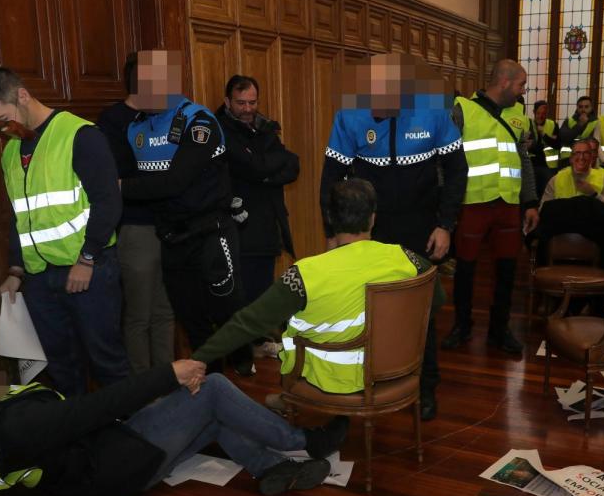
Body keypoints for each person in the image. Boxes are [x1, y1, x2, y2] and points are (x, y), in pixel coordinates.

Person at [0, 358, 349, 496]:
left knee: (212, 410)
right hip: (118, 464)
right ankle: (307, 442)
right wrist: (169, 375)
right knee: (215, 389)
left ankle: (269, 466)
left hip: (103, 462)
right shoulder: (17, 428)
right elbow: (96, 408)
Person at [320, 53, 468, 420]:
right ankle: (371, 379)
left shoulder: (433, 111)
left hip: (421, 227)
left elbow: (456, 171)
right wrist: (334, 233)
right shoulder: (350, 115)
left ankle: (425, 386)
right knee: (366, 308)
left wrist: (446, 225)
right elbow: (331, 181)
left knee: (420, 310)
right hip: (369, 230)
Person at [187, 179, 436, 397]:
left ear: (328, 218)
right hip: (394, 369)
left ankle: (291, 405)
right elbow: (436, 298)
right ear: (373, 217)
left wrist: (197, 359)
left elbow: (248, 322)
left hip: (326, 380)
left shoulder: (305, 273)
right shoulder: (404, 257)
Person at [0, 67, 129, 396]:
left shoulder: (79, 134)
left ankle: (133, 437)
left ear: (23, 96)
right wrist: (16, 270)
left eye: (3, 118)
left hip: (88, 271)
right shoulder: (12, 151)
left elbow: (108, 202)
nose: (1, 129)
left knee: (106, 362)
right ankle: (78, 438)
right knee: (61, 366)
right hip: (39, 278)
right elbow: (21, 217)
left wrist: (87, 259)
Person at [118, 50, 254, 377]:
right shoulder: (135, 129)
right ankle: (211, 379)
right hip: (171, 237)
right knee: (190, 315)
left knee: (226, 308)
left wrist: (117, 186)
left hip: (210, 231)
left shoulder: (198, 121)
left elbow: (176, 182)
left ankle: (243, 366)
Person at [442, 59, 539, 354]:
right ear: (505, 82)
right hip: (472, 203)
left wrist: (531, 202)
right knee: (466, 271)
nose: (524, 90)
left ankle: (499, 329)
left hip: (508, 205)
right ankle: (462, 326)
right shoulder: (462, 109)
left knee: (507, 270)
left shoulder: (520, 115)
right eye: (521, 84)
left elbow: (523, 160)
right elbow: (445, 159)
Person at [96, 53, 176, 373]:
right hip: (135, 228)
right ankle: (144, 391)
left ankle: (168, 380)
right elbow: (119, 177)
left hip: (170, 225)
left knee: (166, 311)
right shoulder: (113, 120)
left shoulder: (169, 116)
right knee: (139, 315)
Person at [215, 75, 300, 313]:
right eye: (241, 103)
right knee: (243, 295)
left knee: (263, 290)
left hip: (267, 226)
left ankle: (261, 342)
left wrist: (264, 174)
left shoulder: (264, 127)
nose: (248, 109)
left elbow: (292, 164)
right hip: (239, 228)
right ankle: (247, 346)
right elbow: (252, 165)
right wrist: (265, 168)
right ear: (227, 101)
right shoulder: (220, 131)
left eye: (252, 102)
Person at [540, 140, 604, 216]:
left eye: (585, 154)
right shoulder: (556, 179)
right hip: (563, 227)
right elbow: (542, 211)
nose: (581, 157)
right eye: (577, 153)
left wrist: (594, 194)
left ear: (591, 158)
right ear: (571, 159)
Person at [557, 96, 597, 167]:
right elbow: (563, 137)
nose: (583, 109)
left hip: (587, 161)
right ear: (577, 108)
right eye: (580, 107)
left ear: (591, 108)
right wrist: (580, 125)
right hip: (566, 161)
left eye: (586, 107)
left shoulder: (597, 123)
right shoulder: (569, 121)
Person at [529, 99, 559, 195]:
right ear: (533, 112)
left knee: (548, 193)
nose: (541, 116)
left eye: (544, 113)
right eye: (538, 113)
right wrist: (550, 139)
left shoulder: (553, 125)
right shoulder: (528, 124)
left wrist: (544, 135)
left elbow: (558, 145)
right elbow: (530, 146)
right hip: (532, 165)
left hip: (550, 167)